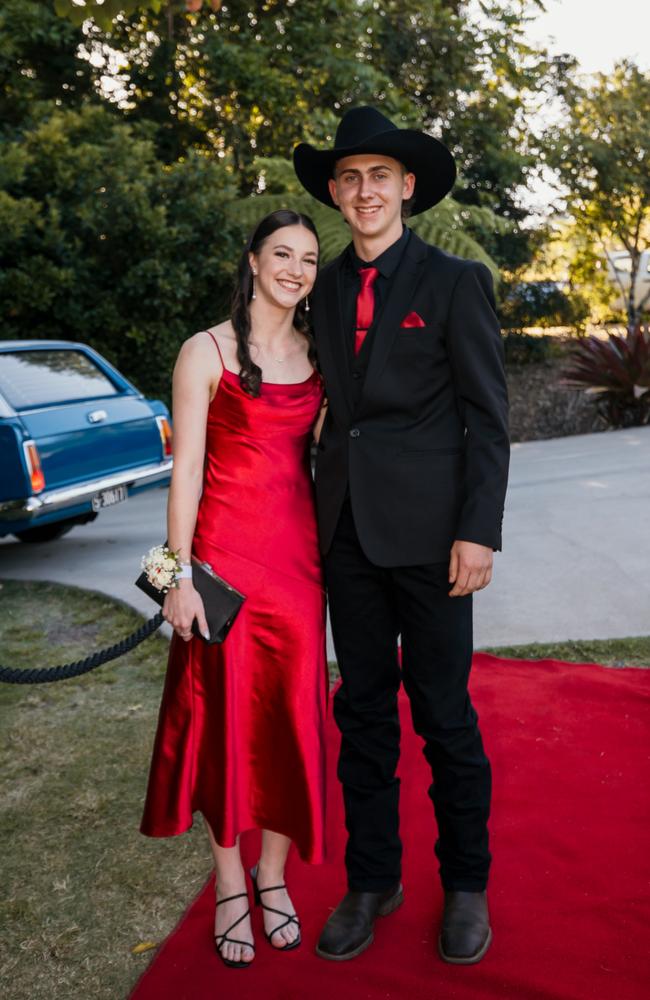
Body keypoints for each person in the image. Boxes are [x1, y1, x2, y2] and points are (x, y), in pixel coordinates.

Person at [293, 106, 510, 965]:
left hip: (433, 542)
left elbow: (487, 420)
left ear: (407, 188)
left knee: (446, 716)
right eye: (349, 178)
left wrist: (479, 532)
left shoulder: (456, 282)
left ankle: (466, 883)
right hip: (344, 534)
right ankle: (372, 877)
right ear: (336, 196)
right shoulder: (324, 284)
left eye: (379, 175)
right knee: (364, 714)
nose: (364, 190)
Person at [140, 210, 328, 969]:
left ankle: (272, 876)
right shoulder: (205, 350)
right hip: (221, 567)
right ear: (252, 261)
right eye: (282, 253)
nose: (295, 268)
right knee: (227, 727)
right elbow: (183, 471)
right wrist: (175, 577)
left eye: (309, 259)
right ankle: (227, 885)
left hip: (299, 566)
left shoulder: (320, 354)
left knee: (291, 718)